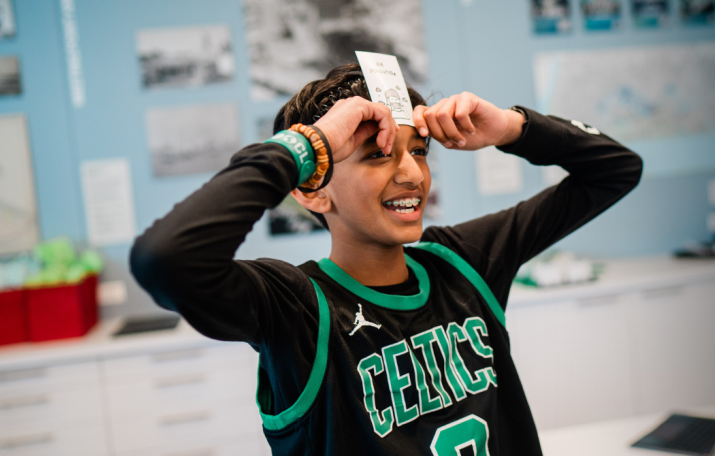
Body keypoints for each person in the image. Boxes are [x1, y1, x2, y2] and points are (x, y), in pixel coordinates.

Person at [130, 63, 642, 455]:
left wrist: (512, 127)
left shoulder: (462, 263)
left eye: (419, 150)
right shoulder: (297, 310)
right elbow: (166, 259)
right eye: (377, 155)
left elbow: (617, 169)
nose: (413, 175)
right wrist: (309, 145)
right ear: (313, 192)